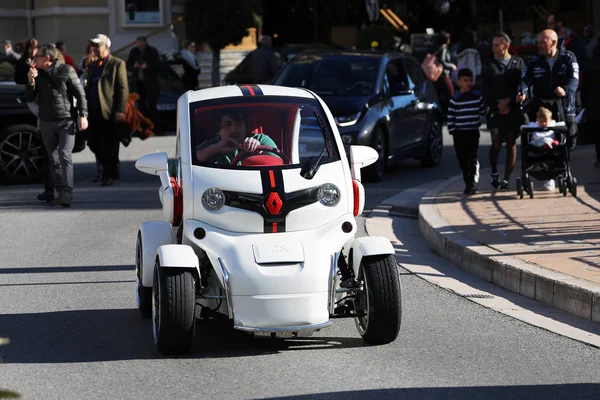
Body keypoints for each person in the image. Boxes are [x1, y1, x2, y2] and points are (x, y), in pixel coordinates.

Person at [24, 43, 88, 207]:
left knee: (65, 155)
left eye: (37, 56)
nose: (33, 59)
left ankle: (67, 193)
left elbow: (80, 94)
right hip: (46, 122)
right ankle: (60, 192)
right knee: (54, 159)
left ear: (47, 59)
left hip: (65, 120)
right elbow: (30, 97)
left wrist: (83, 115)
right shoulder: (37, 73)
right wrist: (31, 81)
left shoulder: (66, 70)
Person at [517, 29, 579, 191]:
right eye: (538, 42)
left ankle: (561, 169)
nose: (539, 45)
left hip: (564, 105)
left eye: (542, 42)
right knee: (542, 138)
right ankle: (549, 175)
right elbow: (525, 79)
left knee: (569, 139)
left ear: (553, 42)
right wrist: (521, 92)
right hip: (542, 107)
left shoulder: (568, 57)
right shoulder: (534, 60)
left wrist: (565, 90)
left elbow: (574, 79)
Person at [481, 32, 525, 190]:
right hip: (496, 109)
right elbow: (485, 89)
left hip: (513, 109)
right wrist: (497, 105)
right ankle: (494, 172)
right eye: (492, 45)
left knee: (511, 142)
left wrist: (510, 101)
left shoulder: (518, 62)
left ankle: (506, 179)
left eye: (496, 45)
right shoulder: (488, 65)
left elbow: (522, 84)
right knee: (497, 142)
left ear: (506, 45)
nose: (493, 48)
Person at [86, 34, 129, 186]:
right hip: (93, 111)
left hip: (109, 111)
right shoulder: (92, 65)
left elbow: (122, 88)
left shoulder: (117, 63)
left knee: (109, 144)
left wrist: (120, 110)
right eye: (93, 45)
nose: (94, 48)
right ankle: (111, 169)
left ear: (106, 46)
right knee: (92, 142)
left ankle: (108, 174)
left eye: (97, 45)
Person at [447, 68, 489, 195]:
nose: (469, 83)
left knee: (472, 157)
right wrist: (452, 130)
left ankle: (472, 183)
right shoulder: (455, 98)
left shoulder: (476, 96)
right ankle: (467, 181)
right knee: (462, 158)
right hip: (459, 133)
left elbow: (484, 111)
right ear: (459, 81)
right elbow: (451, 116)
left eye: (471, 80)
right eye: (466, 80)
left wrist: (494, 111)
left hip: (472, 132)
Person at [196, 110, 278, 165]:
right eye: (227, 124)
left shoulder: (261, 139)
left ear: (245, 126)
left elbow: (278, 163)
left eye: (239, 123)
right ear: (218, 130)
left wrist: (260, 152)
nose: (234, 129)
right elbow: (189, 161)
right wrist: (215, 149)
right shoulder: (212, 144)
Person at [127, 36, 160, 128]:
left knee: (152, 105)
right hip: (138, 83)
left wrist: (147, 66)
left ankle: (154, 126)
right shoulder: (134, 52)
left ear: (145, 43)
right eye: (138, 44)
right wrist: (135, 66)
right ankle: (142, 126)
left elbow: (158, 65)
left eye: (141, 44)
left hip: (150, 83)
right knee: (140, 106)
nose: (140, 46)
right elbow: (128, 64)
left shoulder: (152, 51)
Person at [581, 42, 600, 168]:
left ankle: (599, 158)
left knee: (598, 134)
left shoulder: (591, 63)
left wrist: (585, 105)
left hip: (595, 103)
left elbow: (584, 86)